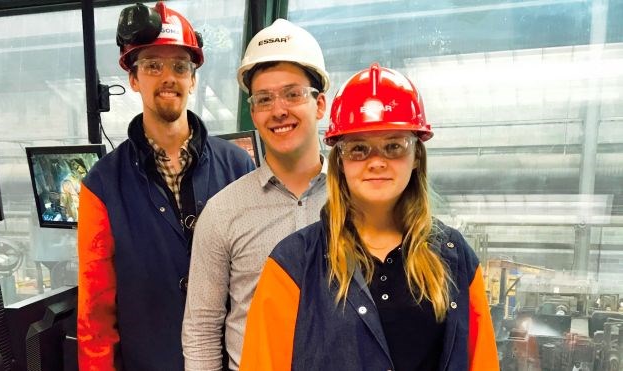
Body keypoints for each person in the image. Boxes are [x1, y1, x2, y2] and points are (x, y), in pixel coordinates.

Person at [240, 63, 499, 371]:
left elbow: (481, 361)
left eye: (393, 146)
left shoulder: (454, 258)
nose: (376, 162)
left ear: (417, 155)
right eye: (359, 149)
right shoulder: (294, 263)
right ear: (340, 161)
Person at [77, 2, 255, 370]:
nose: (168, 77)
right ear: (133, 78)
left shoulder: (239, 168)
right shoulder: (102, 186)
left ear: (193, 78)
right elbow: (95, 312)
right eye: (153, 66)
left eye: (179, 66)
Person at [182, 19, 329, 370]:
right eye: (264, 99)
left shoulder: (360, 201)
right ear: (253, 111)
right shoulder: (222, 212)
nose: (279, 110)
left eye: (293, 94)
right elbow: (202, 329)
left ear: (320, 104)